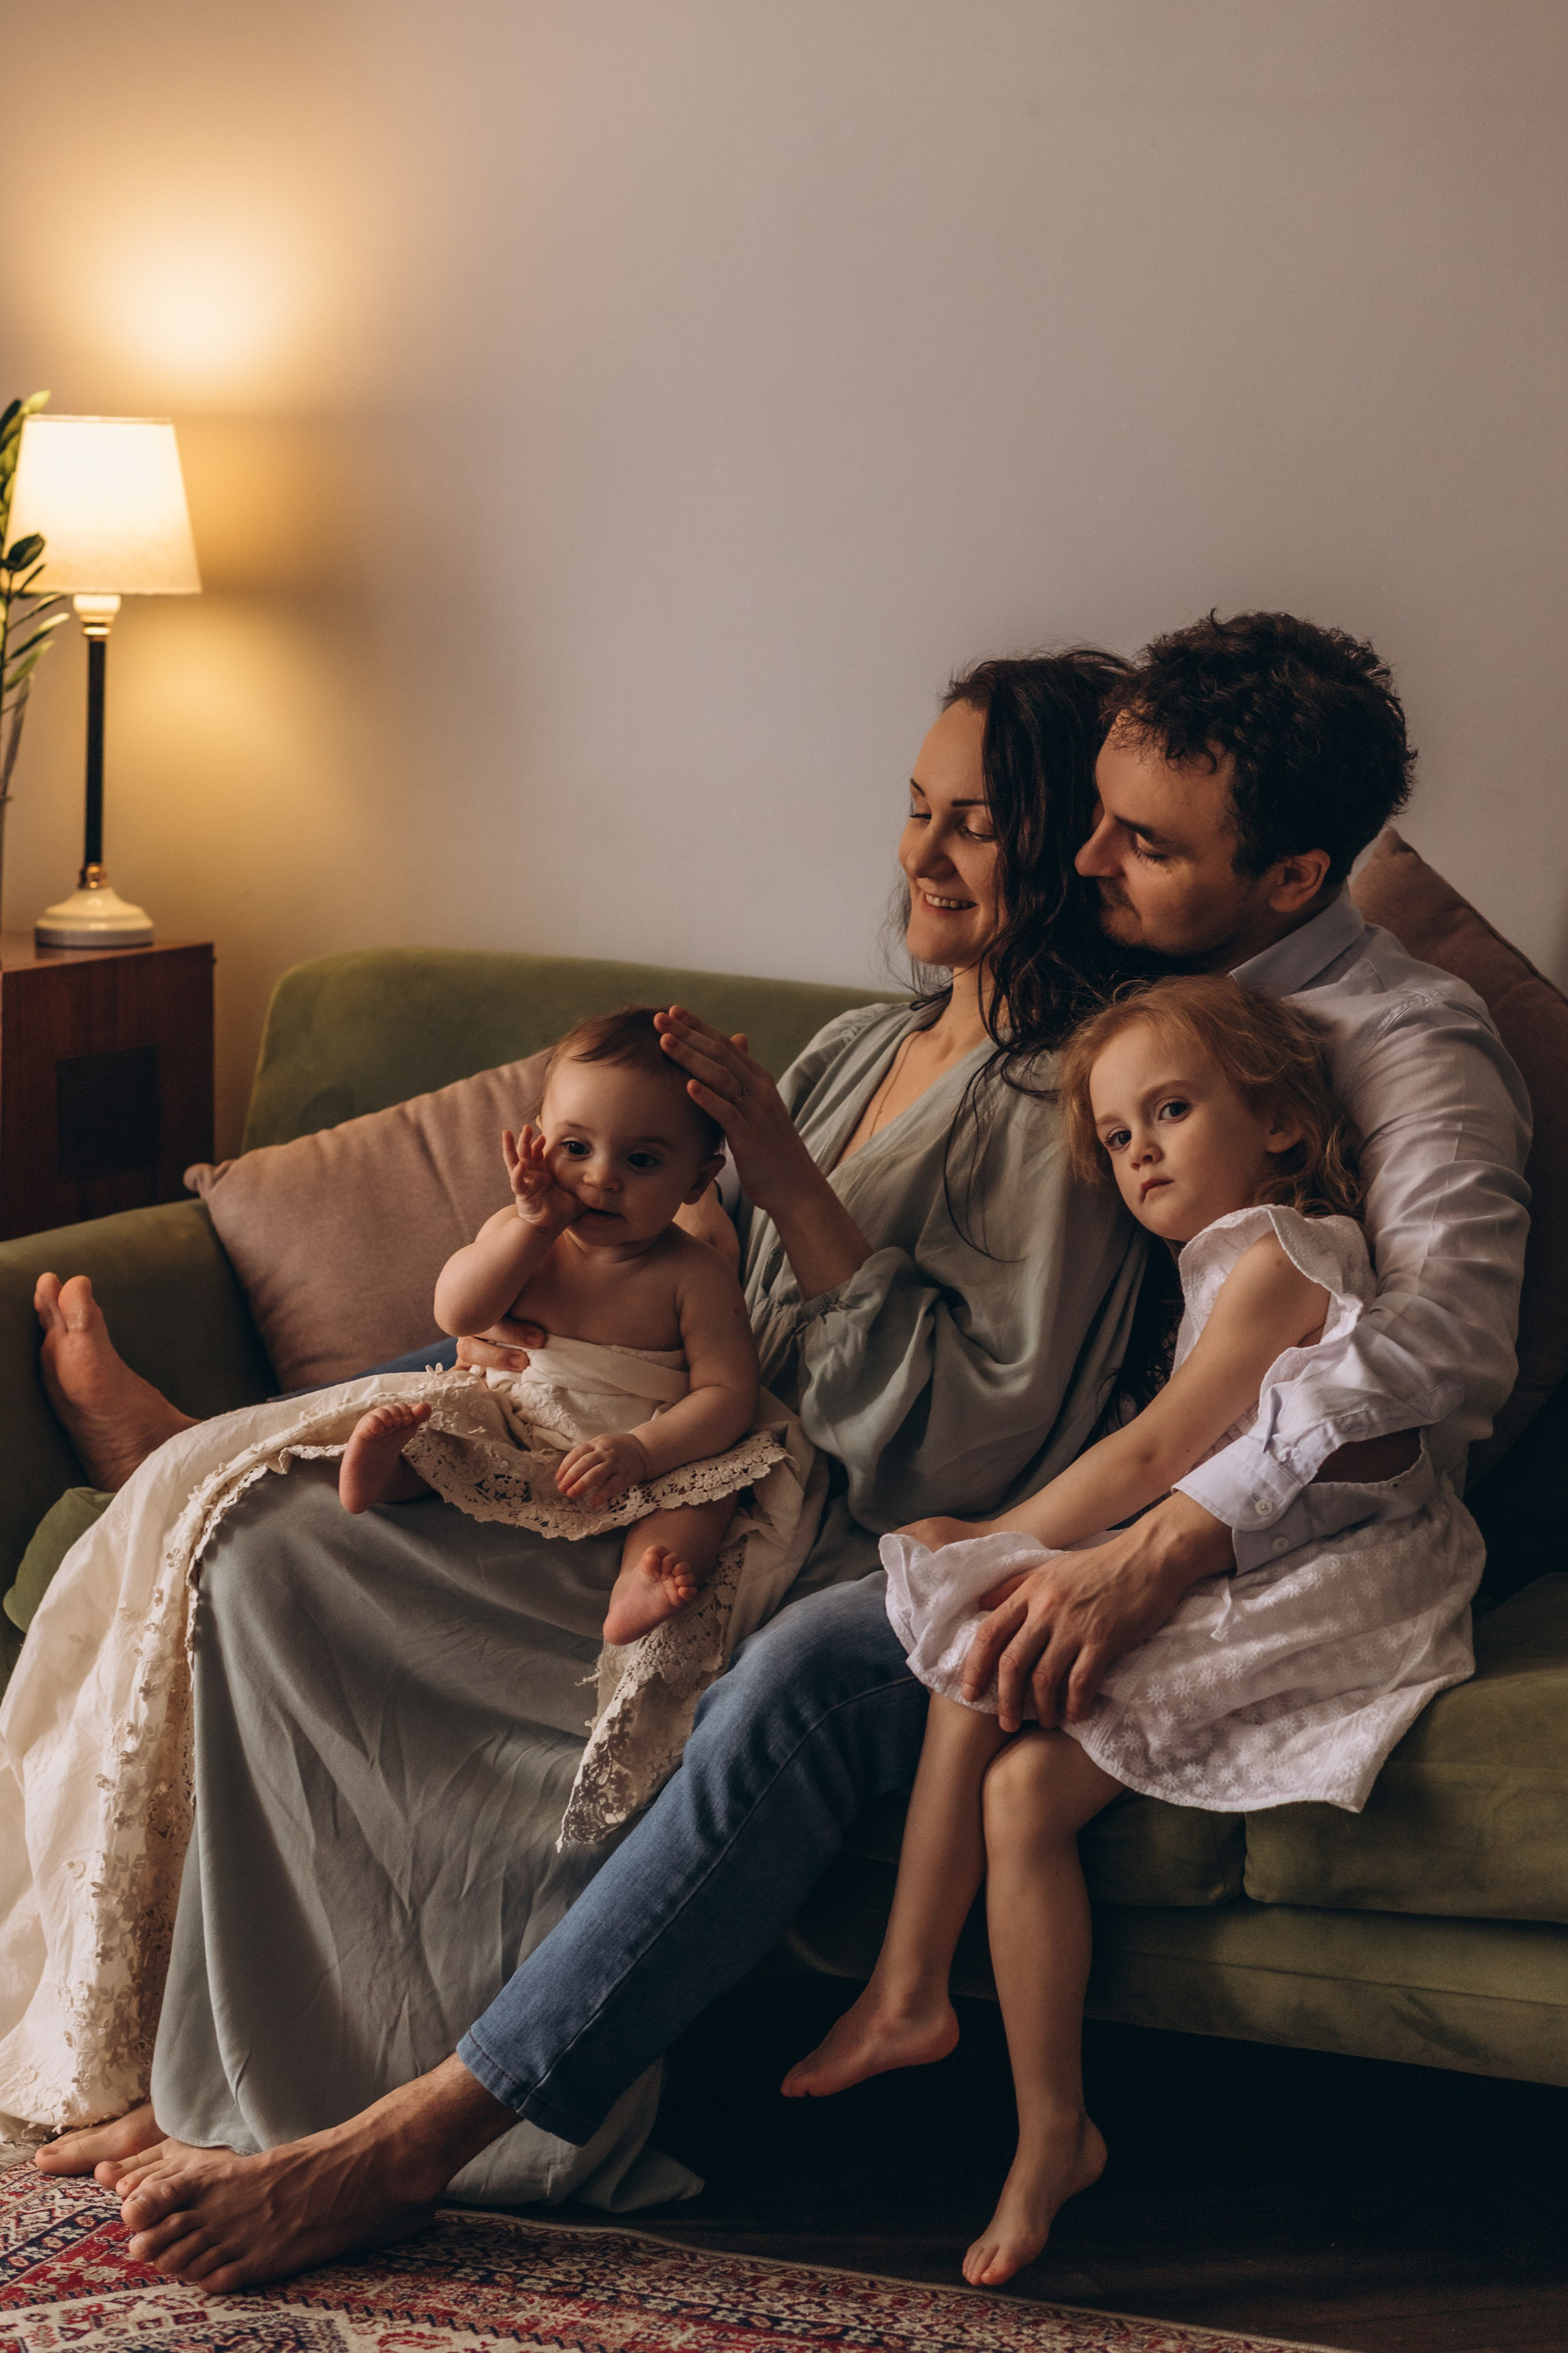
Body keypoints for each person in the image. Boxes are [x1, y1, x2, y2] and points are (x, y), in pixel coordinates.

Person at [29, 614, 1529, 2297]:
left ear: (1293, 876)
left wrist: (1150, 1544)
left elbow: (1423, 1364)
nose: (1096, 860)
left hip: (1197, 1532)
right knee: (276, 1546)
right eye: (1087, 821)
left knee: (810, 1660)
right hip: (779, 1458)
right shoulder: (1053, 1026)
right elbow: (705, 1300)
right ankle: (214, 2045)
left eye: (1135, 841)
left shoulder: (1380, 1049)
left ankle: (422, 2134)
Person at [18, 651, 1142, 2199]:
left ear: (1069, 849)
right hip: (650, 1435)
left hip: (784, 1504)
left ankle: (351, 2112)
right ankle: (227, 2071)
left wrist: (777, 1178)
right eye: (911, 808)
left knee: (299, 1552)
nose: (922, 854)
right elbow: (683, 1277)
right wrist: (545, 1293)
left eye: (974, 821)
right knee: (266, 1553)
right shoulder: (855, 1051)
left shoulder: (1071, 1105)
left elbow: (955, 1445)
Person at [783, 975, 1483, 2286]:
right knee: (999, 1718)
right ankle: (985, 2066)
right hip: (1264, 1548)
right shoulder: (1211, 1267)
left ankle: (954, 2039)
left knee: (1004, 1693)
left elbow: (1165, 1447)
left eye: (1169, 1109)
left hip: (1345, 1571)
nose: (1140, 1149)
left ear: (1278, 1119)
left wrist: (999, 1535)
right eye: (1116, 1135)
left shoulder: (1281, 1249)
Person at [340, 1007, 768, 1645]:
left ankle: (641, 1580)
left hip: (638, 1450)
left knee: (710, 1490)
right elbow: (456, 1315)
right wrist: (533, 1227)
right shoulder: (523, 1237)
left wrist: (644, 1451)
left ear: (697, 1179)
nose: (601, 1177)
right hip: (514, 1420)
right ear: (536, 1140)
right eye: (575, 1148)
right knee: (447, 1423)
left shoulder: (695, 1275)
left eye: (643, 1160)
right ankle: (386, 1472)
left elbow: (729, 1395)